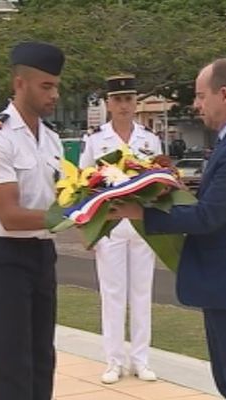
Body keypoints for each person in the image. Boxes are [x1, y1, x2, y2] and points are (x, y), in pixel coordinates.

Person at [110, 58, 226, 400]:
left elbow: (209, 216)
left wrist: (141, 212)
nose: (196, 104)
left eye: (201, 96)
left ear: (225, 94)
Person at [0, 41, 64, 400]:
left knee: (42, 358)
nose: (54, 94)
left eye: (56, 86)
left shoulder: (52, 139)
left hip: (43, 254)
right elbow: (9, 216)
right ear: (19, 83)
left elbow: (63, 195)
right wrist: (72, 217)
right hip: (4, 258)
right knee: (8, 363)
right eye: (46, 86)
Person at [79, 74, 161, 384]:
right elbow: (84, 185)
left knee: (142, 294)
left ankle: (141, 359)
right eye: (118, 100)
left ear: (135, 102)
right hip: (111, 225)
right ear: (109, 104)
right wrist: (87, 229)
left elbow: (159, 183)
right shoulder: (95, 139)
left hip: (142, 225)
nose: (124, 106)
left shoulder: (149, 140)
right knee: (112, 295)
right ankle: (113, 360)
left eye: (129, 99)